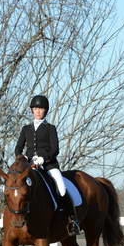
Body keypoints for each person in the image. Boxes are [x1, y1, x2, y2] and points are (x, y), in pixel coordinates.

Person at [15, 95, 80, 235]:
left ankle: (71, 220)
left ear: (46, 111)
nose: (38, 111)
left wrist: (43, 159)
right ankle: (11, 220)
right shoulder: (26, 129)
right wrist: (24, 158)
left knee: (61, 187)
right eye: (36, 109)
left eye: (41, 109)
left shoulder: (50, 128)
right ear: (32, 110)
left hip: (49, 165)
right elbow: (18, 149)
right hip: (30, 166)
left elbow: (55, 149)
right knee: (14, 189)